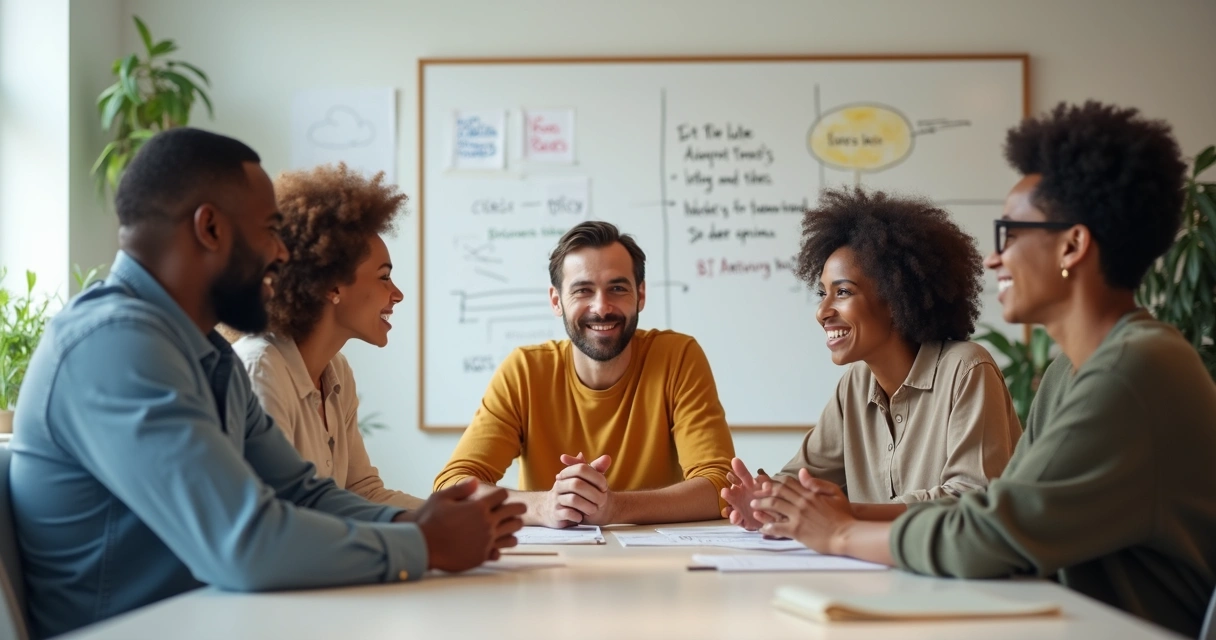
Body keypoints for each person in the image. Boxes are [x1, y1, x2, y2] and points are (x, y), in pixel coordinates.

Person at [8, 128, 524, 639]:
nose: (283, 255)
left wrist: (418, 523)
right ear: (210, 228)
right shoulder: (116, 346)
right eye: (270, 230)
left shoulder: (207, 354)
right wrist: (425, 544)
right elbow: (244, 544)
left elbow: (302, 492)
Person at [750, 101, 1216, 637]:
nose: (995, 259)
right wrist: (838, 513)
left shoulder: (1132, 371)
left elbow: (987, 535)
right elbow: (1001, 511)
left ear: (1072, 245)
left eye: (1011, 235)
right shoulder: (1076, 369)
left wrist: (839, 534)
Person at [721, 188, 1022, 527]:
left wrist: (849, 513)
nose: (822, 311)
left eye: (843, 292)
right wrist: (765, 501)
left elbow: (971, 499)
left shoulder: (966, 369)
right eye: (823, 293)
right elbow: (803, 477)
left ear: (896, 298)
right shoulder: (855, 385)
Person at [434, 220, 735, 528]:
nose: (601, 307)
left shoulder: (678, 357)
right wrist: (544, 507)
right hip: (551, 567)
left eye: (617, 288)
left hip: (659, 565)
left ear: (640, 295)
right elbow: (453, 486)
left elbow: (722, 487)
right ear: (556, 301)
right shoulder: (524, 370)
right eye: (583, 290)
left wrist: (615, 507)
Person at [232, 164, 422, 510]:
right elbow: (277, 513)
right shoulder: (261, 367)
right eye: (384, 278)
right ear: (332, 285)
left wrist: (455, 514)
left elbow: (362, 491)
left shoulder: (337, 372)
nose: (397, 294)